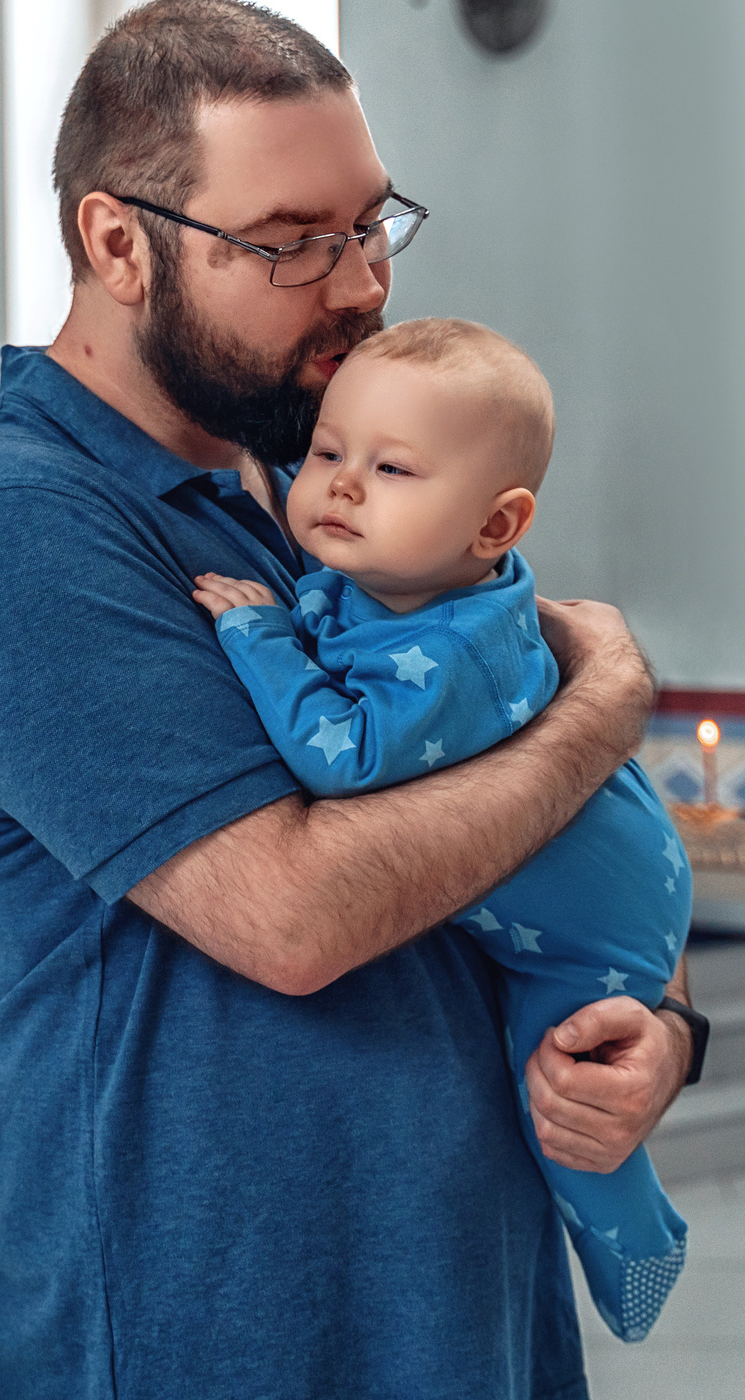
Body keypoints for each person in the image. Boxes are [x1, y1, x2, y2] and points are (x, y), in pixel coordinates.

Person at [0, 0, 689, 1400]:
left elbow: (512, 816)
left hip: (435, 1322)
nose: (360, 283)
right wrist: (606, 708)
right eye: (289, 243)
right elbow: (297, 917)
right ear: (117, 244)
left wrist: (655, 1029)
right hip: (210, 1353)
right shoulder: (20, 527)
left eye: (371, 224)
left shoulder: (323, 473)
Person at [191, 317, 692, 1344]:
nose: (339, 486)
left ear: (496, 526)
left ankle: (637, 1244)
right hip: (595, 859)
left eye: (390, 469)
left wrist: (259, 634)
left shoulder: (454, 652)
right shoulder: (411, 572)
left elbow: (342, 755)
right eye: (327, 452)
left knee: (563, 1100)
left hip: (589, 927)